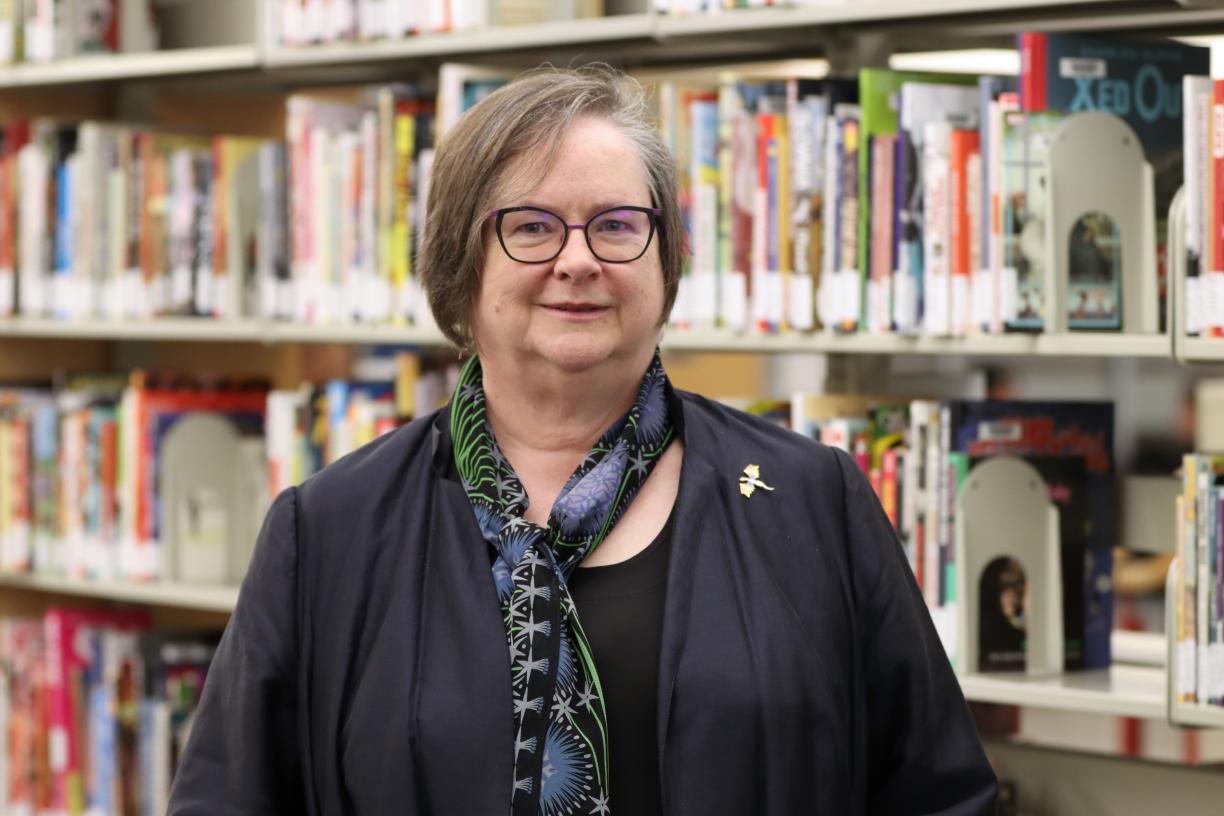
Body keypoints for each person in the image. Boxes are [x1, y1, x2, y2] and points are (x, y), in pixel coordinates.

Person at [167, 65, 996, 816]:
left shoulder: (815, 501)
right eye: (531, 228)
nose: (578, 260)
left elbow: (942, 797)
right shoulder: (330, 531)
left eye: (616, 224)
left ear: (666, 258)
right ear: (463, 264)